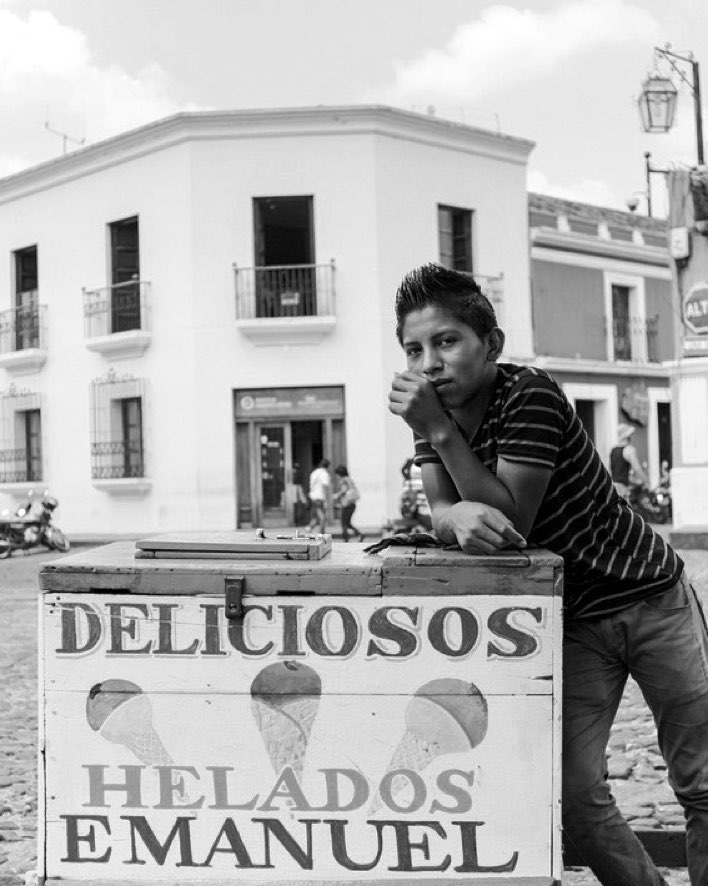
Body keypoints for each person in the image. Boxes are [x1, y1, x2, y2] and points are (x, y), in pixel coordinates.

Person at [387, 262, 708, 886]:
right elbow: (444, 510)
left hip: (650, 596)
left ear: (492, 346)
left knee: (701, 781)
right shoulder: (431, 417)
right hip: (575, 621)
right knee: (574, 797)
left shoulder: (529, 392)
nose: (429, 363)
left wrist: (435, 430)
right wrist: (453, 510)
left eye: (447, 341)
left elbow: (513, 527)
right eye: (414, 348)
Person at [610, 422, 649, 500]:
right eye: (630, 434)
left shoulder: (613, 450)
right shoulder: (629, 450)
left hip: (613, 487)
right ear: (627, 436)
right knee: (627, 510)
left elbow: (611, 470)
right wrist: (646, 480)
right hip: (622, 489)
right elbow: (636, 468)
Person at [333, 465, 365, 542]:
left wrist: (336, 496)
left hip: (347, 504)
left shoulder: (343, 480)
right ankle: (359, 534)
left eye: (337, 474)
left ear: (340, 473)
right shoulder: (349, 479)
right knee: (347, 523)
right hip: (352, 504)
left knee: (343, 523)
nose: (336, 476)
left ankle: (346, 539)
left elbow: (344, 490)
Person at [307, 458, 331, 534]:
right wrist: (326, 500)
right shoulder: (324, 474)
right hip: (320, 498)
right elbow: (325, 487)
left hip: (312, 497)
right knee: (322, 517)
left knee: (315, 517)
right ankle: (322, 534)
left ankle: (308, 528)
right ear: (328, 466)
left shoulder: (314, 473)